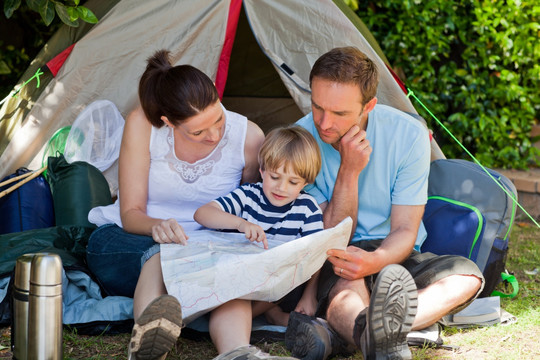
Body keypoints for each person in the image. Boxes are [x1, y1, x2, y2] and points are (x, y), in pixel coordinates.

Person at [85, 50, 294, 360]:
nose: (213, 136)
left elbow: (247, 206)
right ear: (168, 122)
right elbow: (130, 214)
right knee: (161, 254)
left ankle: (238, 353)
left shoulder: (248, 137)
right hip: (133, 239)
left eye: (218, 121)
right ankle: (146, 346)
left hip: (207, 248)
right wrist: (157, 226)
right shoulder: (143, 124)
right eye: (198, 131)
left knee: (230, 275)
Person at [284, 47, 485, 360]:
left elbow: (405, 228)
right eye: (317, 107)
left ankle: (371, 332)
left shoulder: (409, 135)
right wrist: (349, 171)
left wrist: (376, 261)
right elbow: (332, 234)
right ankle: (379, 333)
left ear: (369, 106)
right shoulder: (299, 140)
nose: (324, 123)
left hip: (395, 252)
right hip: (338, 250)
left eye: (339, 113)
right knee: (345, 293)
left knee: (467, 276)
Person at [194, 125, 324, 327]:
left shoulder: (307, 208)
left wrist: (309, 295)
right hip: (241, 279)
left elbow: (317, 255)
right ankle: (269, 317)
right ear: (262, 170)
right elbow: (202, 213)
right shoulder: (248, 195)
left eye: (293, 182)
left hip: (281, 287)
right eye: (275, 177)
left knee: (290, 275)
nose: (281, 188)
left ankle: (240, 318)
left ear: (305, 182)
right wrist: (240, 223)